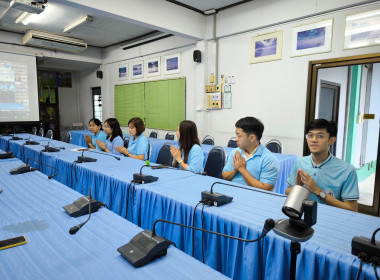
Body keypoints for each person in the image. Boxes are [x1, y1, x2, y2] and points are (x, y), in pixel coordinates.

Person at [285, 119, 359, 212]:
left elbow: (352, 209)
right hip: (301, 214)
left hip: (330, 218)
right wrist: (298, 188)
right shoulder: (300, 162)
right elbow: (288, 191)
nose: (313, 140)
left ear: (332, 140)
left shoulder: (347, 170)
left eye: (320, 136)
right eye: (310, 135)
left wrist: (318, 191)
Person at [222, 117, 279, 191]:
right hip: (232, 193)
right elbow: (224, 176)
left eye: (239, 136)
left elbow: (266, 189)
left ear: (252, 138)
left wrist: (242, 169)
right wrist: (235, 171)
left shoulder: (269, 159)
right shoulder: (236, 152)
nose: (236, 139)